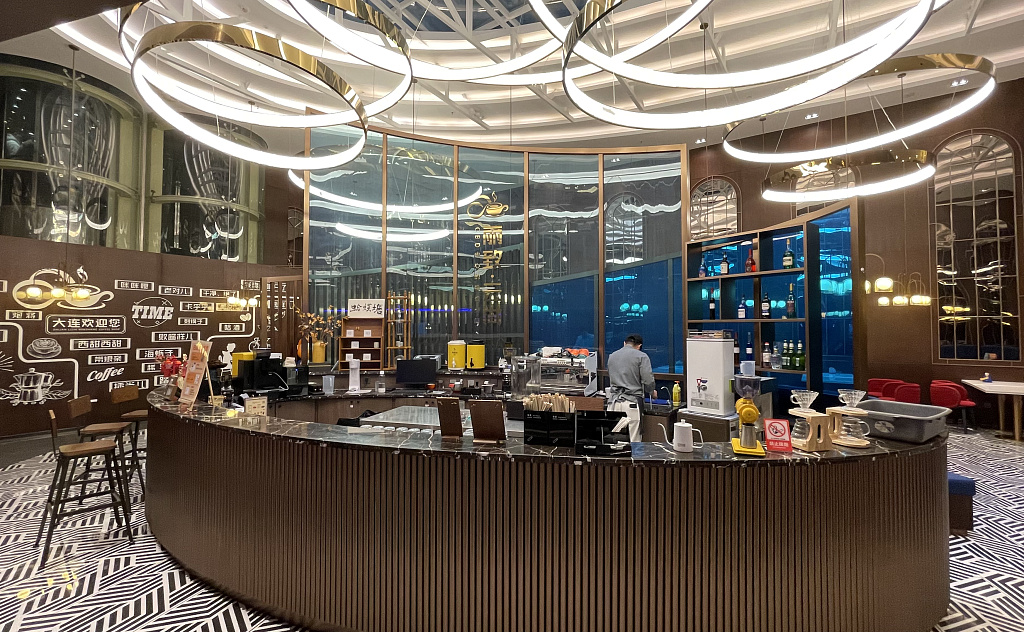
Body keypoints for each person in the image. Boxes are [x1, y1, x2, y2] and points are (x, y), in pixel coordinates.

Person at [606, 334, 656, 442]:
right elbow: (648, 379)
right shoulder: (642, 356)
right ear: (639, 346)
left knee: (613, 442)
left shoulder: (612, 356)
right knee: (634, 442)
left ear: (624, 343)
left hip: (613, 403)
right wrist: (652, 391)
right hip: (631, 403)